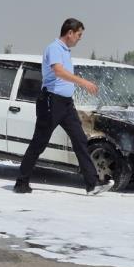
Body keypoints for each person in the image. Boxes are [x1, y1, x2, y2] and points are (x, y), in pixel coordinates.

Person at [14, 18, 104, 194]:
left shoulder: (65, 51)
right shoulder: (54, 48)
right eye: (79, 35)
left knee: (80, 139)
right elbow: (58, 71)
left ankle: (92, 184)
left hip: (66, 104)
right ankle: (21, 182)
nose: (80, 38)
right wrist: (84, 82)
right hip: (51, 101)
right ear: (69, 33)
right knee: (39, 142)